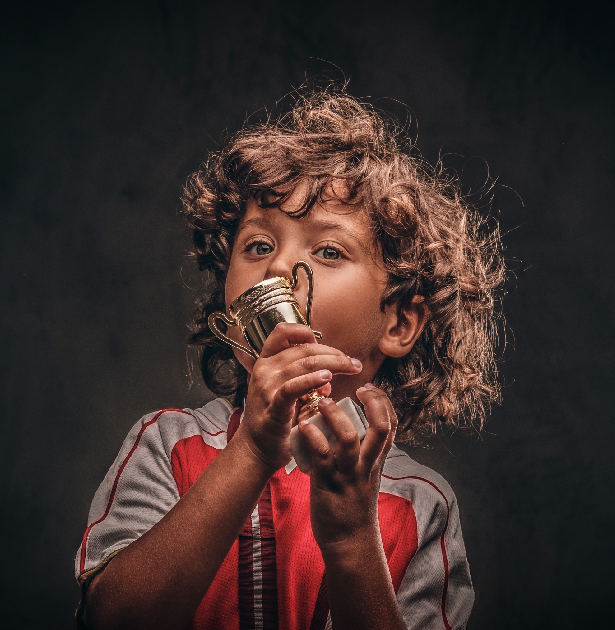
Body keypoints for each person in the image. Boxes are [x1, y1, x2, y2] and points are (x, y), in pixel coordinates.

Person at [75, 88, 504, 630]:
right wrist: (253, 448)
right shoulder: (166, 445)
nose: (279, 265)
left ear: (398, 323)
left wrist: (351, 537)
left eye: (328, 251)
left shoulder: (422, 506)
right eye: (257, 246)